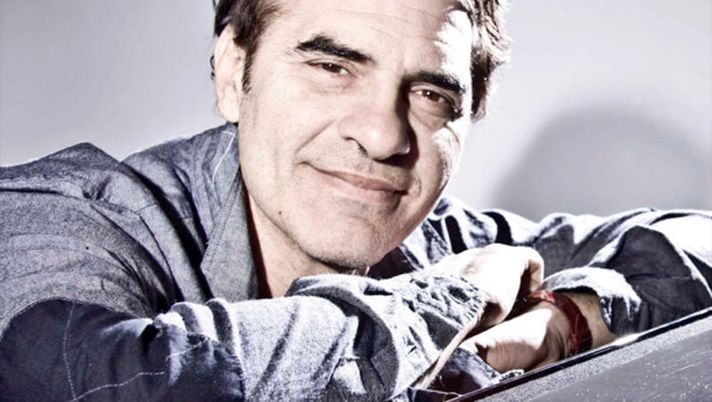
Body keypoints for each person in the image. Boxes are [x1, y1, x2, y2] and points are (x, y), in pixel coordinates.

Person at [0, 0, 710, 400]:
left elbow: (696, 240)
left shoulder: (439, 237)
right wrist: (445, 305)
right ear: (232, 73)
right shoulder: (61, 217)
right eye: (332, 66)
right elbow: (109, 381)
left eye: (430, 95)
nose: (382, 135)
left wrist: (564, 321)